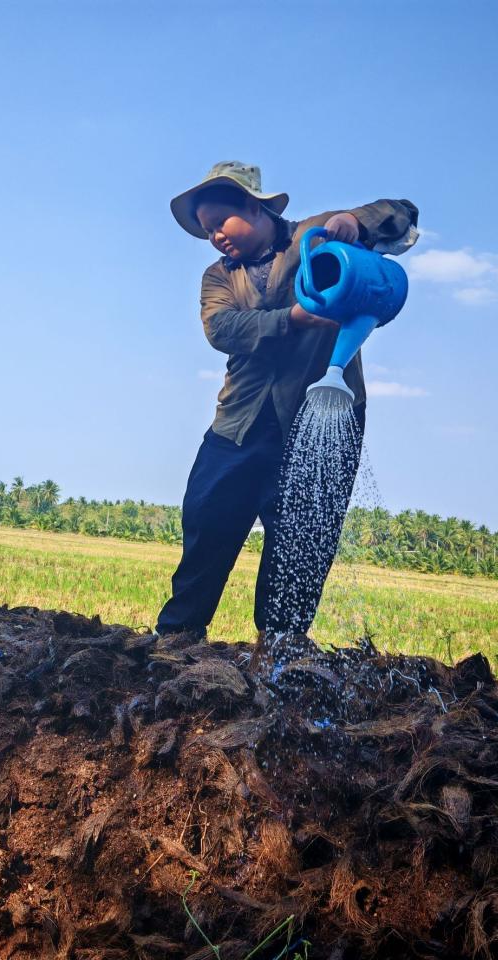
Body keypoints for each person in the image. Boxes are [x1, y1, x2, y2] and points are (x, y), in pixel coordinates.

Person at [155, 161, 418, 649]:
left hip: (321, 421)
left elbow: (400, 213)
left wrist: (355, 222)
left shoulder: (313, 239)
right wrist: (292, 319)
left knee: (302, 545)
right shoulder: (218, 278)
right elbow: (222, 329)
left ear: (254, 207)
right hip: (239, 424)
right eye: (208, 231)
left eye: (221, 223)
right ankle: (177, 642)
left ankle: (280, 651)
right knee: (207, 523)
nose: (215, 237)